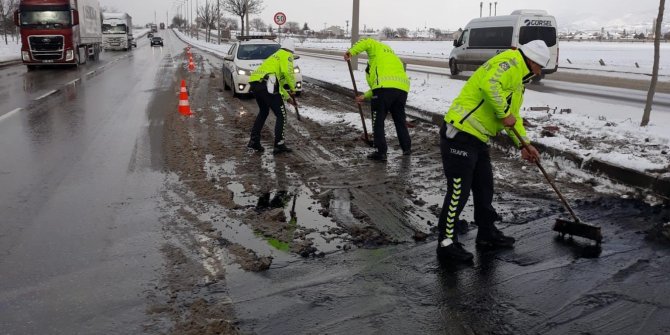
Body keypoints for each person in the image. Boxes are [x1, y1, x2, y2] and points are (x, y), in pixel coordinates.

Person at [436, 40, 548, 263]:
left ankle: (486, 233)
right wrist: (504, 112)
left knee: (485, 187)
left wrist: (524, 145)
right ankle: (446, 242)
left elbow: (512, 118)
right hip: (460, 133)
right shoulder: (510, 62)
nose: (539, 72)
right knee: (459, 191)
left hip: (478, 137)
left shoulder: (518, 80)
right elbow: (490, 85)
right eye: (540, 67)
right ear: (533, 61)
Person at [344, 38, 411, 161]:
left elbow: (366, 41)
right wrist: (364, 96)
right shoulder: (391, 56)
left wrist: (351, 52)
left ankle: (381, 152)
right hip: (402, 89)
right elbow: (376, 87)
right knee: (400, 120)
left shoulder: (374, 45)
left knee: (378, 121)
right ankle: (406, 148)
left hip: (384, 90)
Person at [247, 39, 298, 154]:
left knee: (264, 111)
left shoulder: (276, 56)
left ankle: (254, 142)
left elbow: (277, 84)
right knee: (282, 115)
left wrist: (288, 98)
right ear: (291, 50)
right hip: (267, 84)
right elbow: (288, 72)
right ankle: (279, 144)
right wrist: (293, 88)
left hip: (256, 83)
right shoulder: (287, 55)